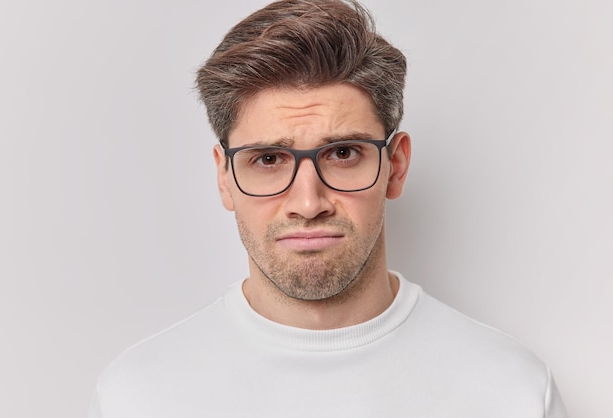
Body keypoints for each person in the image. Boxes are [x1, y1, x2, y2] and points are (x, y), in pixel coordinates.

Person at [88, 1, 568, 416]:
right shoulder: (138, 398)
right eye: (269, 159)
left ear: (395, 166)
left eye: (342, 153)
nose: (307, 203)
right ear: (225, 177)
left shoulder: (511, 393)